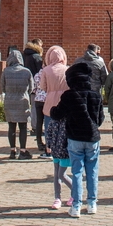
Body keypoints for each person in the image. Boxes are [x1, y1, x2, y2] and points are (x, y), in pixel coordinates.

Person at [51, 62, 105, 218]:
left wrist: (53, 109)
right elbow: (100, 119)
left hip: (74, 137)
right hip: (92, 137)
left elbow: (57, 114)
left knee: (76, 172)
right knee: (92, 172)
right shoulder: (96, 95)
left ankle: (76, 206)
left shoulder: (69, 95)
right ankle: (92, 204)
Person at [40, 45, 73, 210]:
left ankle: (57, 197)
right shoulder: (68, 69)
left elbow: (43, 88)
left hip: (50, 107)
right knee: (63, 140)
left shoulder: (46, 70)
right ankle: (71, 193)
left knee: (51, 139)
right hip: (65, 106)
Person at [1, 49, 34, 159]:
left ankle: (12, 151)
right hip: (22, 100)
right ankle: (23, 150)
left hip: (9, 100)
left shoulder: (5, 71)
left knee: (11, 126)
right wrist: (24, 93)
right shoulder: (27, 71)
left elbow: (2, 87)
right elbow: (32, 88)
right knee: (23, 126)